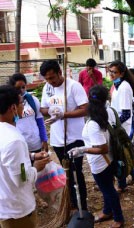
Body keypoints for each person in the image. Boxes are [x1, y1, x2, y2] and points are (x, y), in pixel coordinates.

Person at [68, 85, 124, 227]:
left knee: (108, 190)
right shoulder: (107, 112)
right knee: (107, 188)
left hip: (100, 163)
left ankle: (118, 218)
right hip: (109, 159)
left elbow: (102, 148)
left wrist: (82, 149)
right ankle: (107, 211)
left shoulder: (93, 123)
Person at [40, 60, 89, 211]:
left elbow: (85, 109)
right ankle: (72, 201)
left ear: (60, 73)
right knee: (66, 171)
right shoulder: (47, 88)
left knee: (76, 172)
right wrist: (52, 112)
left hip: (74, 138)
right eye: (47, 79)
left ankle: (83, 205)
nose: (50, 81)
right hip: (57, 139)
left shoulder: (73, 86)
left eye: (52, 78)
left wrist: (64, 115)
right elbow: (42, 108)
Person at [0, 85, 49, 228]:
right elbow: (21, 180)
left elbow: (6, 158)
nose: (24, 107)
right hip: (18, 211)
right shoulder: (14, 139)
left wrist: (32, 156)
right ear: (13, 108)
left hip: (5, 204)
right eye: (22, 103)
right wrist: (36, 168)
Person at [108, 60, 134, 192]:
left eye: (114, 72)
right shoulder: (117, 85)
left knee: (119, 156)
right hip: (118, 125)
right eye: (110, 71)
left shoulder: (124, 87)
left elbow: (126, 114)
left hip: (123, 128)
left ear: (122, 73)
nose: (111, 74)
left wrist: (113, 126)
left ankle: (122, 184)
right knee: (121, 154)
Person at [9, 74, 49, 158]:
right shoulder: (9, 105)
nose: (21, 90)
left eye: (23, 87)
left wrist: (44, 139)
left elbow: (40, 121)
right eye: (17, 88)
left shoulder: (33, 100)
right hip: (20, 143)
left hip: (35, 143)